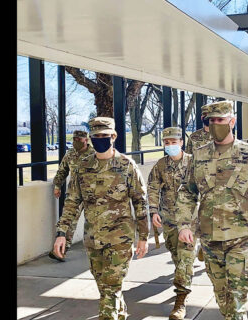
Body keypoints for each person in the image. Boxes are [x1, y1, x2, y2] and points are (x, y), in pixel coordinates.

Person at [176, 100, 248, 320]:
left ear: (232, 121)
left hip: (241, 237)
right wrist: (184, 224)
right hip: (210, 238)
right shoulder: (199, 154)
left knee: (236, 298)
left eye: (221, 120)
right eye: (212, 120)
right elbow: (187, 191)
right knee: (222, 297)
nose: (216, 124)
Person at [52, 117, 149, 320]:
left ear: (113, 137)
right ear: (90, 138)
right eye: (96, 136)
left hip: (120, 240)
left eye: (104, 136)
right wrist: (62, 234)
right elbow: (72, 203)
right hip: (93, 239)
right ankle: (119, 313)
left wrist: (143, 237)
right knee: (104, 286)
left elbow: (140, 202)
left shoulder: (126, 165)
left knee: (111, 288)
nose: (100, 139)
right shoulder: (82, 167)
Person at [147, 127, 195, 320]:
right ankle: (182, 274)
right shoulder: (160, 165)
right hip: (169, 219)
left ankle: (180, 301)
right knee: (175, 253)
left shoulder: (194, 163)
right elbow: (152, 188)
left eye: (173, 142)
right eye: (166, 143)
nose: (170, 146)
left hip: (190, 221)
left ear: (181, 142)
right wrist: (153, 211)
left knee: (184, 259)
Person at [49, 130, 95, 262]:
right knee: (69, 222)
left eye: (79, 140)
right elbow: (62, 170)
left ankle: (99, 251)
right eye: (74, 139)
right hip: (74, 194)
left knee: (94, 223)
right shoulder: (70, 154)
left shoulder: (94, 154)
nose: (76, 142)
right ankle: (61, 250)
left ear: (86, 140)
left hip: (93, 195)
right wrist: (57, 186)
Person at [185, 103, 213, 262]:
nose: (208, 119)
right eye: (205, 117)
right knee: (195, 215)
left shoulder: (221, 135)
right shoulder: (194, 137)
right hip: (197, 182)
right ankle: (197, 243)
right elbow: (188, 160)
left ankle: (205, 245)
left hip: (216, 184)